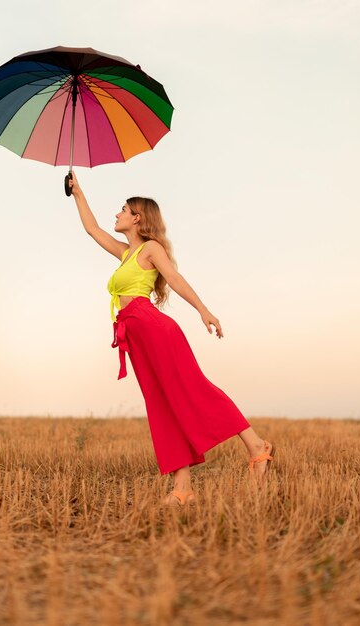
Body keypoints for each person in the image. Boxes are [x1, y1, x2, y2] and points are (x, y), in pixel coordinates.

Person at [68, 170, 275, 506]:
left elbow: (175, 279)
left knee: (193, 389)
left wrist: (202, 309)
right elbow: (92, 229)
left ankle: (256, 446)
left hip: (154, 328)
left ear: (137, 218)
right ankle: (183, 488)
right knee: (161, 406)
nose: (116, 214)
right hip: (134, 335)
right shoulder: (126, 253)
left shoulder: (150, 248)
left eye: (123, 209)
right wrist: (78, 192)